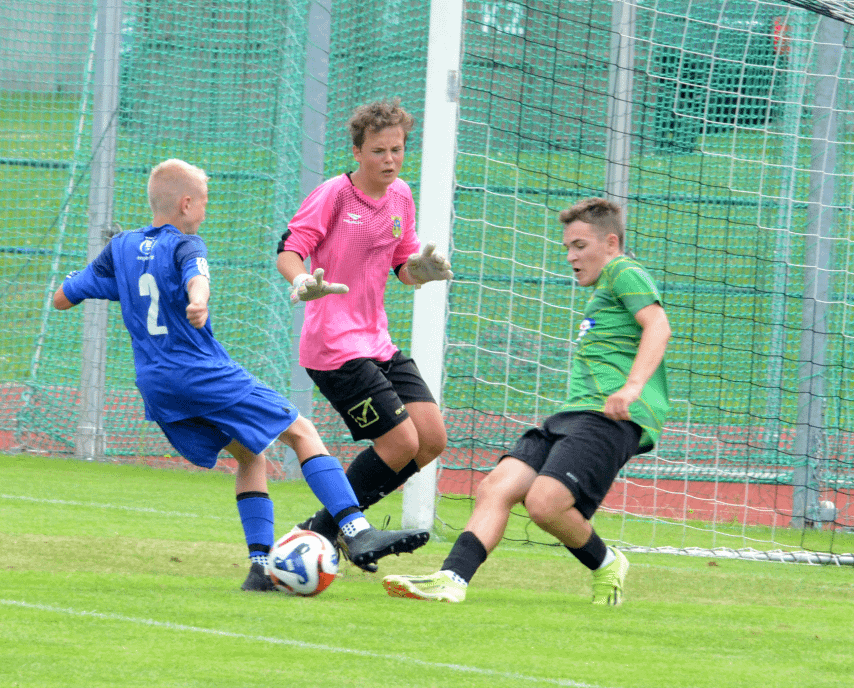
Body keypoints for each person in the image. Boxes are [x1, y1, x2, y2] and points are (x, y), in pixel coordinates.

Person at [52, 158, 430, 592]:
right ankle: (356, 530)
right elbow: (197, 278)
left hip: (156, 386)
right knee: (302, 432)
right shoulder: (187, 244)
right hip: (200, 372)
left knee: (251, 455)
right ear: (186, 204)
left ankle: (260, 569)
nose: (206, 210)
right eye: (204, 201)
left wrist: (118, 281)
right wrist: (198, 300)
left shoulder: (121, 248)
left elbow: (63, 297)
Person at [382, 198, 671, 605]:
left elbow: (658, 325)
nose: (571, 257)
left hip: (609, 415)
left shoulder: (624, 270)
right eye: (567, 248)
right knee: (496, 487)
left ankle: (607, 562)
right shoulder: (603, 290)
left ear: (611, 242)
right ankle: (451, 579)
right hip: (574, 412)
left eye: (580, 246)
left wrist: (632, 387)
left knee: (545, 504)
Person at [275, 99, 453, 571]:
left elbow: (403, 266)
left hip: (377, 341)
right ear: (357, 152)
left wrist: (422, 270)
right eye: (378, 151)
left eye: (397, 149)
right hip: (333, 347)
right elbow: (289, 249)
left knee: (431, 439)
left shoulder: (401, 196)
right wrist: (301, 280)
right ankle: (336, 531)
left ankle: (326, 529)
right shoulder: (334, 194)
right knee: (400, 443)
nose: (390, 160)